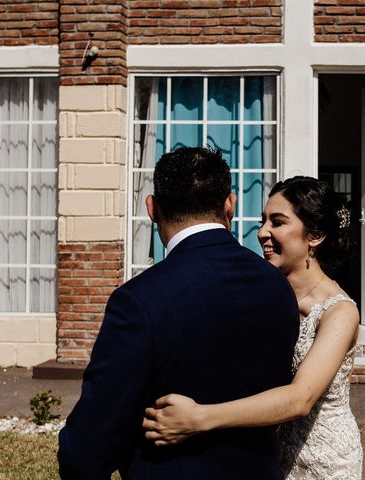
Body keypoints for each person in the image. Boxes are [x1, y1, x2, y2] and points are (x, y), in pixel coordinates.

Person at [57, 146, 299, 480]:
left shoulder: (138, 300)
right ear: (230, 204)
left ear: (152, 209)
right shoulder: (278, 286)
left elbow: (89, 445)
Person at [143, 176, 363, 479]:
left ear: (314, 235)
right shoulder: (264, 292)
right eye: (263, 221)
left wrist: (199, 418)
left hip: (321, 461)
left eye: (278, 222)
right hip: (264, 455)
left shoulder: (340, 312)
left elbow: (301, 399)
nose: (262, 232)